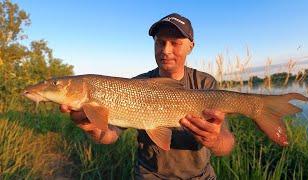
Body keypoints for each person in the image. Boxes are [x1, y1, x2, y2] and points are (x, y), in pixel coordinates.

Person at [60, 13, 235, 179]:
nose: (166, 50)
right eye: (160, 42)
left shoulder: (205, 84)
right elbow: (109, 135)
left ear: (190, 46)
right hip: (150, 175)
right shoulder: (136, 85)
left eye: (175, 43)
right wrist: (90, 126)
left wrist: (214, 139)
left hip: (200, 176)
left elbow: (226, 146)